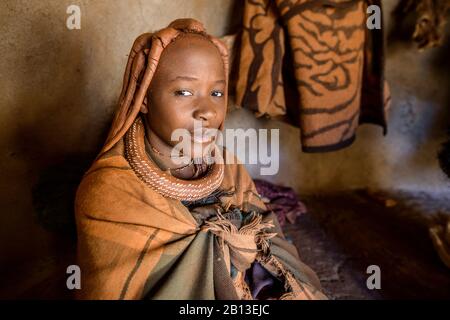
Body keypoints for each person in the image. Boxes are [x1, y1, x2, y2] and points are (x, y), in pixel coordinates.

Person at [74, 18, 326, 300]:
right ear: (144, 98)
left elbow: (274, 243)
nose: (207, 111)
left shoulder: (228, 167)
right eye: (184, 92)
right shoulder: (108, 191)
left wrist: (246, 249)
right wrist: (229, 242)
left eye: (217, 93)